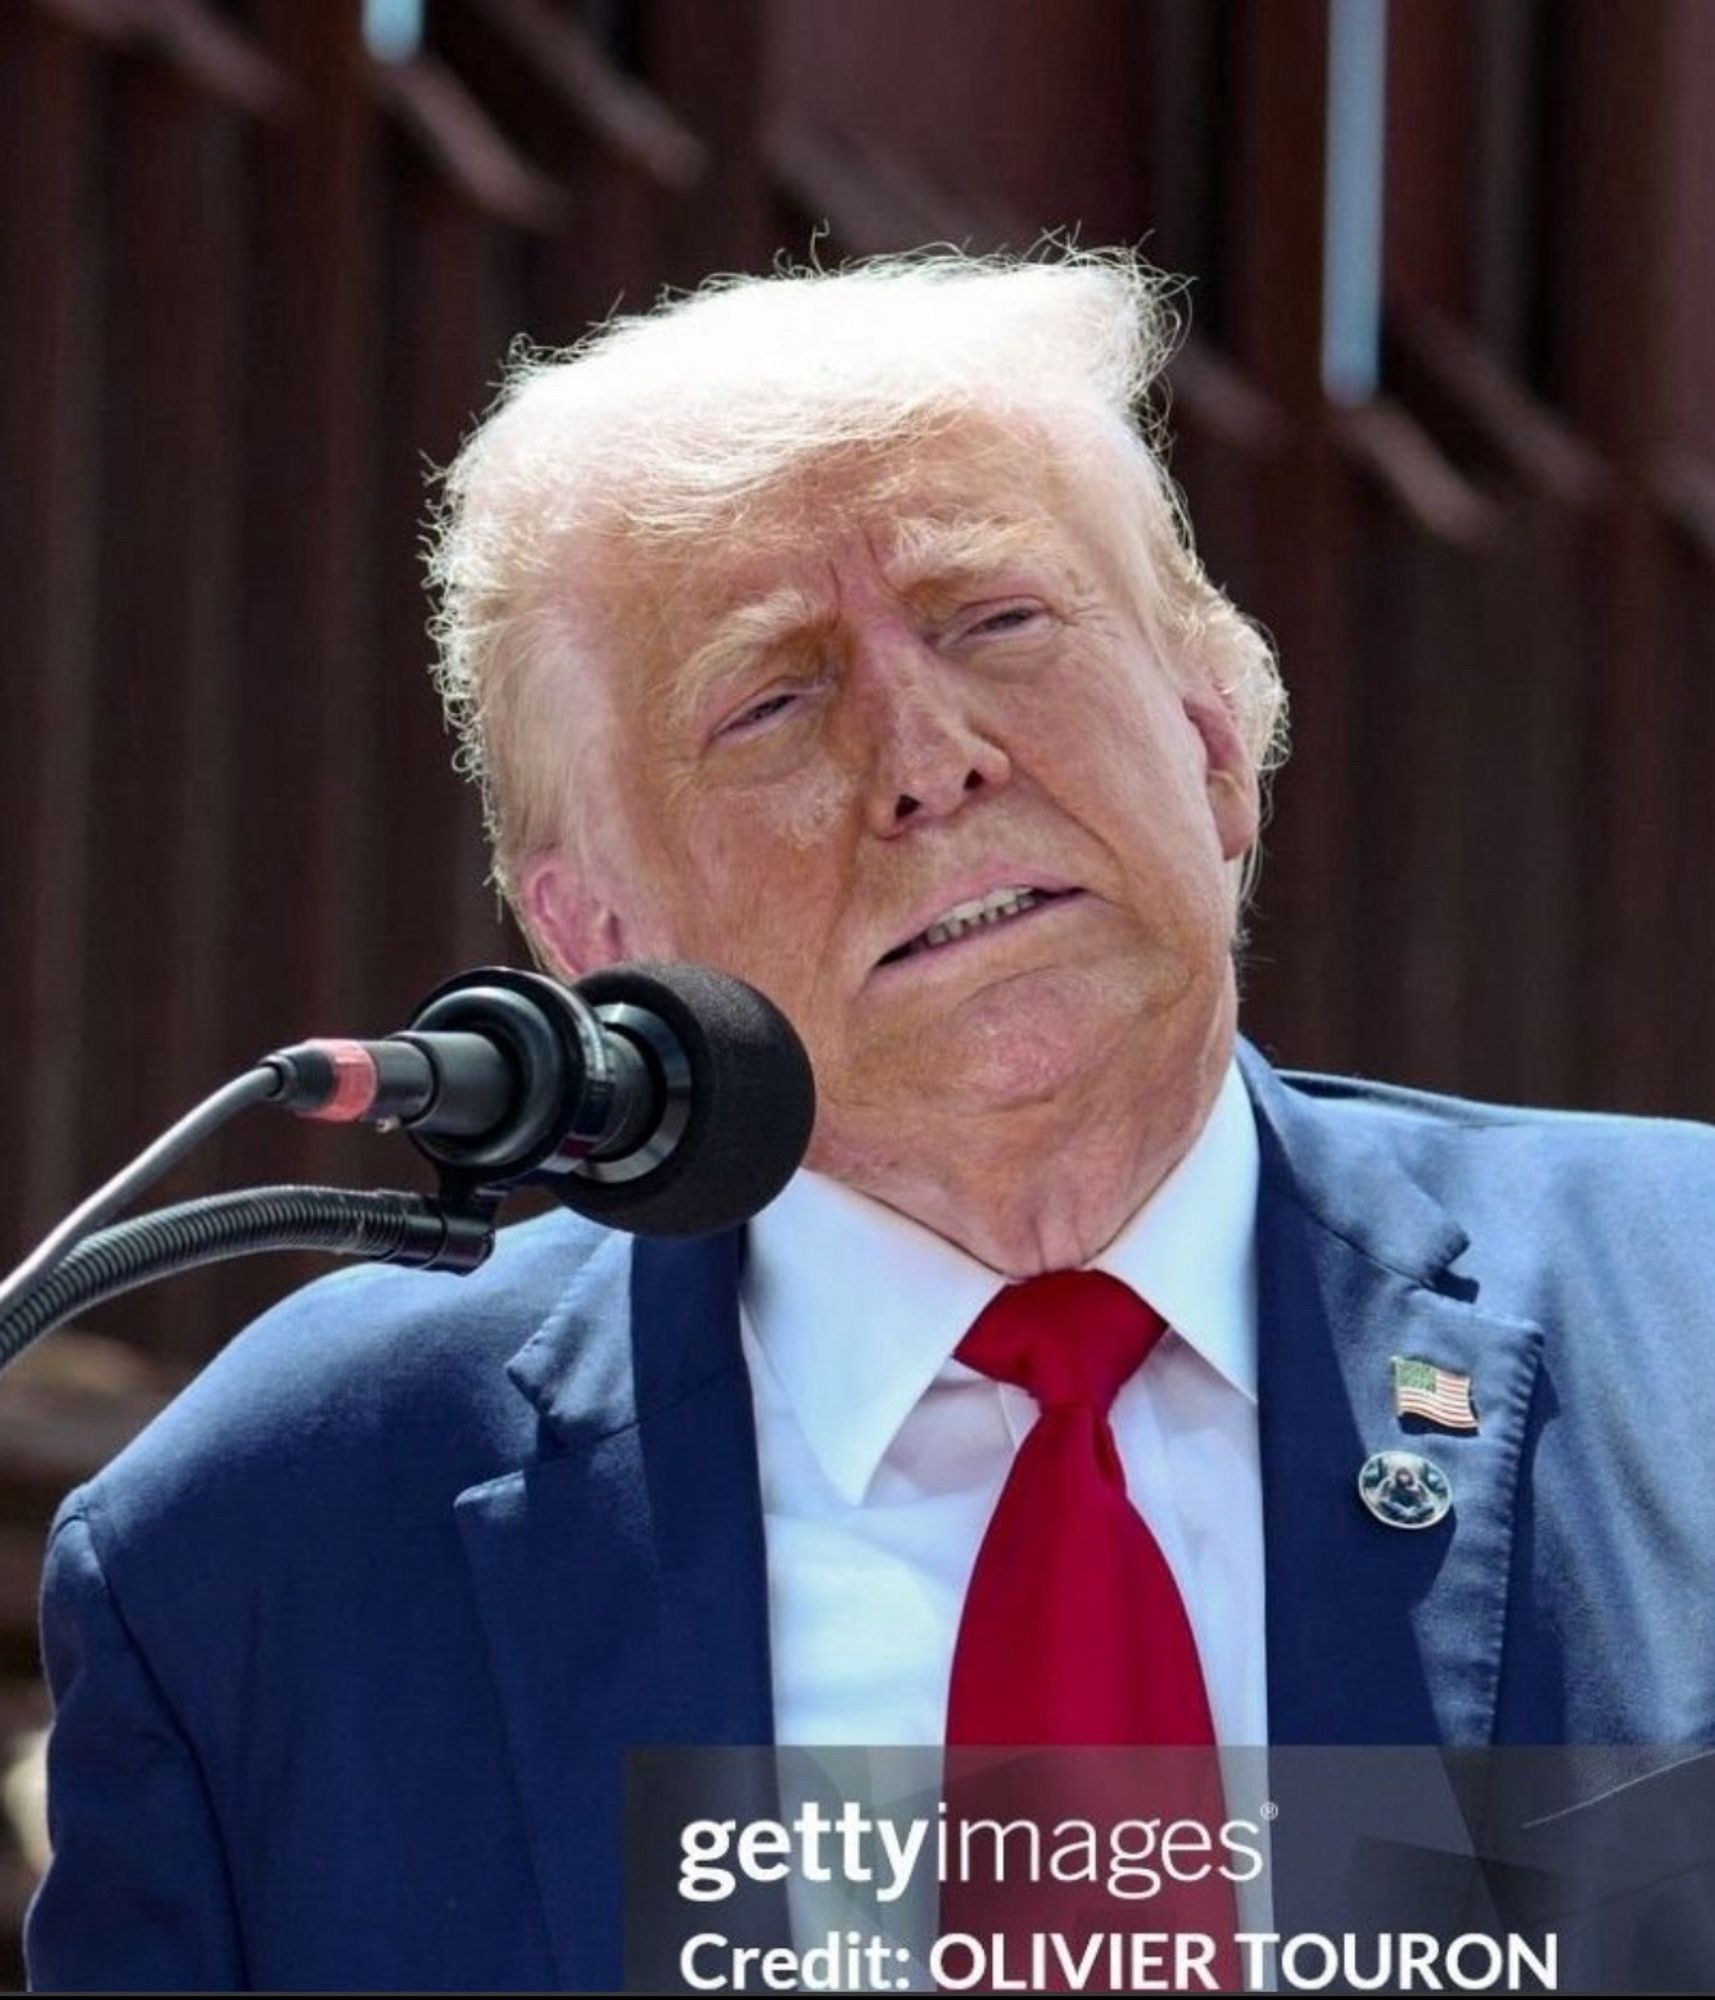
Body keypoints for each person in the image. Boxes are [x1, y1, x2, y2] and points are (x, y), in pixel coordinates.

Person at [24, 250, 1715, 1991]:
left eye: (1000, 620)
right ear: (599, 933)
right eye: (773, 698)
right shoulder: (274, 1542)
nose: (928, 755)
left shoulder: (1687, 1319)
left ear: (1217, 738)